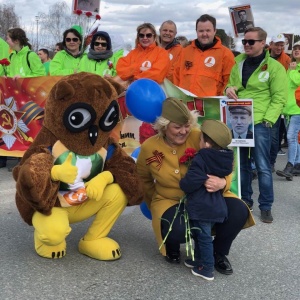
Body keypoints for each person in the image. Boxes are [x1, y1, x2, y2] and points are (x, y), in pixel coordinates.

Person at [136, 97, 254, 275]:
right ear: (164, 126)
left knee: (239, 210)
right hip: (170, 200)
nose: (184, 131)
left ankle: (217, 253)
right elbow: (143, 178)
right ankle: (172, 243)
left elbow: (225, 162)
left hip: (208, 195)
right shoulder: (149, 146)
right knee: (176, 228)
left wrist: (223, 182)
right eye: (177, 127)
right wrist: (155, 205)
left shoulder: (200, 136)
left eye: (187, 125)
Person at [225, 27, 288, 222]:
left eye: (251, 42)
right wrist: (229, 88)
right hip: (240, 121)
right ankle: (245, 201)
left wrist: (269, 119)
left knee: (262, 166)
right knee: (242, 164)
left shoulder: (274, 67)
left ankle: (266, 205)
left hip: (261, 122)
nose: (246, 45)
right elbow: (230, 84)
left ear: (263, 43)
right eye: (244, 41)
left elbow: (280, 97)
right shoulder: (238, 63)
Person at [179, 120, 233, 281]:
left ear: (207, 144)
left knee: (203, 237)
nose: (199, 142)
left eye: (201, 139)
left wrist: (183, 183)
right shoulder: (223, 159)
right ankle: (198, 260)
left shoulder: (201, 159)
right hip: (215, 205)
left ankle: (207, 268)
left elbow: (190, 182)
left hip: (203, 207)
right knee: (199, 234)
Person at [173, 14, 235, 97]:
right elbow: (176, 76)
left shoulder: (225, 54)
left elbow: (229, 81)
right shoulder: (186, 51)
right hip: (186, 104)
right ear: (196, 31)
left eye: (208, 30)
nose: (204, 34)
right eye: (201, 31)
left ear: (214, 31)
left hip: (210, 106)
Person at [276, 41, 300, 180]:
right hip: (288, 109)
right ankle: (297, 164)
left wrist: (292, 70)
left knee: (290, 137)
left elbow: (298, 82)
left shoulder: (293, 68)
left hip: (297, 108)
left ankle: (290, 166)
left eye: (299, 49)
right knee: (295, 138)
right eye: (295, 48)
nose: (296, 50)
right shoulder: (292, 67)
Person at [268, 34, 291, 169]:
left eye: (282, 45)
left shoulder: (287, 60)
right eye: (277, 44)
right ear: (271, 44)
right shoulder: (262, 57)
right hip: (262, 100)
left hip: (277, 103)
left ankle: (271, 162)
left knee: (274, 135)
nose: (279, 47)